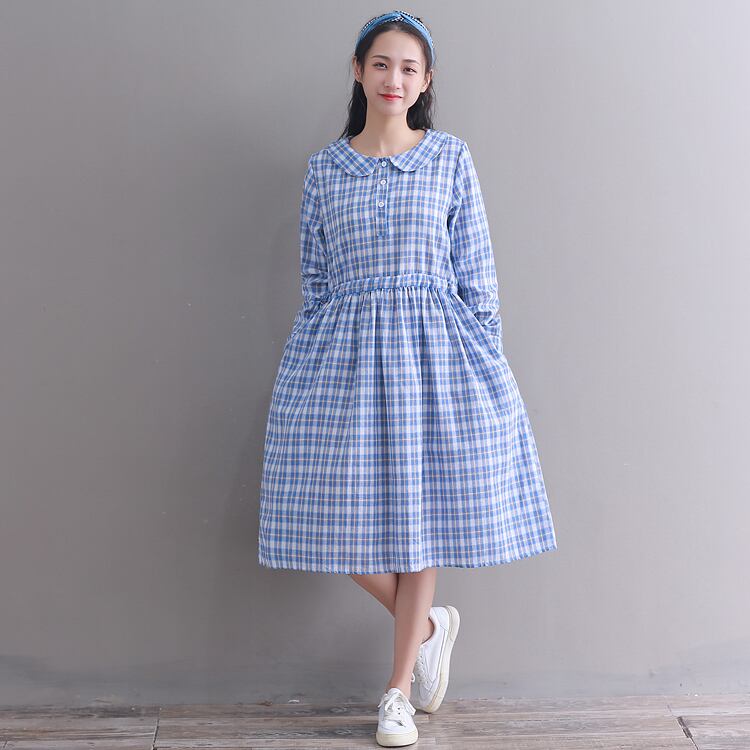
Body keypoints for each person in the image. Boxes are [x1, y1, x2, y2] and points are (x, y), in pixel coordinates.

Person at [258, 9, 558, 747]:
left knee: (420, 519)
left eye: (409, 68)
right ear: (359, 72)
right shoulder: (325, 169)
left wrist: (484, 364)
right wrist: (304, 369)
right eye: (382, 63)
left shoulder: (450, 158)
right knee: (332, 513)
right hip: (345, 357)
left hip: (435, 355)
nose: (395, 78)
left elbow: (476, 273)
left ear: (425, 82)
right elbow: (316, 282)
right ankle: (425, 627)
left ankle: (395, 692)